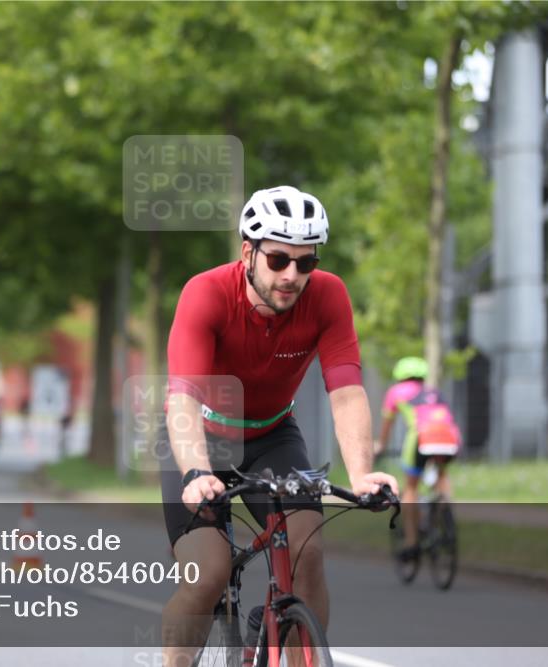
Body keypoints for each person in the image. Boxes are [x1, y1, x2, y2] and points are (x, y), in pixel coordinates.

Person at [160, 185, 398, 665]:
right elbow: (183, 397)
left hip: (273, 435)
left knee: (307, 552)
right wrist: (196, 473)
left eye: (305, 262)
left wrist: (361, 474)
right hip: (201, 437)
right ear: (247, 252)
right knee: (208, 572)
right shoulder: (206, 293)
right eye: (278, 260)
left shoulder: (328, 296)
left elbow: (346, 391)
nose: (292, 275)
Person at [374, 356, 461, 560]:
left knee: (411, 488)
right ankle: (445, 513)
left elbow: (387, 425)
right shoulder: (433, 392)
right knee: (441, 476)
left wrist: (381, 446)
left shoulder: (395, 392)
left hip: (422, 438)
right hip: (449, 438)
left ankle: (411, 542)